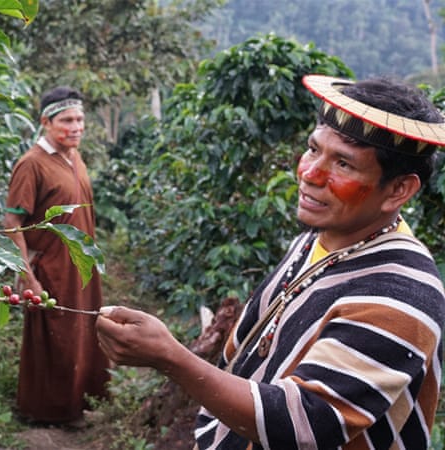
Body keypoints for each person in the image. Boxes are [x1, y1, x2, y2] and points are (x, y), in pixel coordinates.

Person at [95, 74, 445, 449]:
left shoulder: (402, 296)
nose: (310, 174)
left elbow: (305, 424)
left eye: (343, 164)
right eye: (313, 149)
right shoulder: (315, 241)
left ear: (398, 189)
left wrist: (170, 358)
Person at [3, 86, 110, 427]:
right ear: (46, 122)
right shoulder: (31, 164)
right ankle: (47, 410)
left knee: (82, 331)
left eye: (80, 119)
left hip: (80, 265)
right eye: (67, 120)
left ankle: (79, 400)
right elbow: (12, 220)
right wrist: (27, 275)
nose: (76, 126)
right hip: (51, 267)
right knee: (56, 338)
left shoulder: (73, 156)